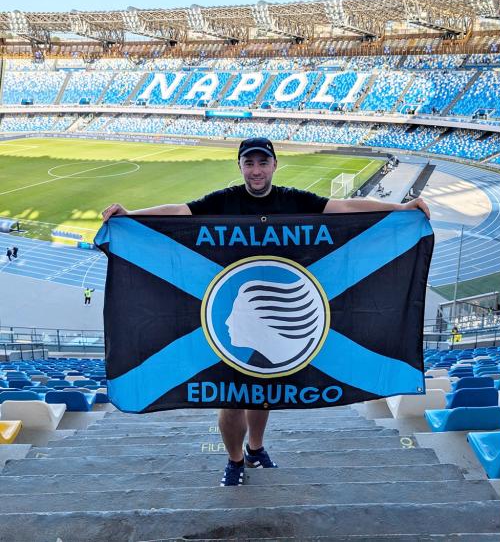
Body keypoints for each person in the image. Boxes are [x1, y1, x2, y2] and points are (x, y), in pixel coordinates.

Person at [101, 137, 430, 487]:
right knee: (231, 398)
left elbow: (345, 209)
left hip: (271, 315)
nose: (256, 171)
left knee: (263, 391)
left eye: (262, 163)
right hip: (229, 313)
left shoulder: (293, 199)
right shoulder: (224, 201)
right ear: (240, 166)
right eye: (249, 163)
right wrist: (130, 217)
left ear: (274, 165)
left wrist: (401, 210)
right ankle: (234, 459)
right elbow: (180, 213)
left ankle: (256, 448)